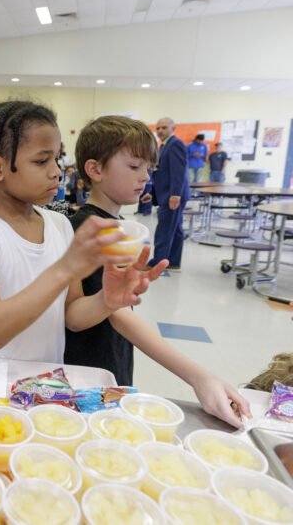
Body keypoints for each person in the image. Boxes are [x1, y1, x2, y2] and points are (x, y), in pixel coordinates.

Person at [0, 101, 164, 370]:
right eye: (41, 161)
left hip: (46, 383)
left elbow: (71, 314)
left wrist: (106, 300)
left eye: (57, 159)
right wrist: (64, 269)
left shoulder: (59, 225)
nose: (57, 171)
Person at [66, 115, 250, 427]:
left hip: (109, 354)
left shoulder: (113, 225)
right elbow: (118, 315)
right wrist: (197, 375)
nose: (145, 177)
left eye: (149, 168)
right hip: (91, 366)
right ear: (95, 170)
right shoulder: (91, 229)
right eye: (134, 166)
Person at [150, 117, 189, 270]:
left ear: (173, 128)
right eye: (158, 128)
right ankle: (173, 261)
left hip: (172, 196)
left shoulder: (175, 144)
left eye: (164, 127)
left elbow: (178, 172)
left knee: (164, 229)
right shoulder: (164, 146)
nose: (160, 131)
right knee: (176, 229)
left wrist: (175, 195)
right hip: (167, 194)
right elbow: (161, 172)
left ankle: (158, 263)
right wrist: (153, 194)